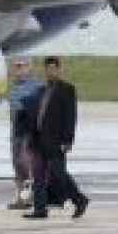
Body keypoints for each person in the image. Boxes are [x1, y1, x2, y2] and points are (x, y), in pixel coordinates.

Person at [25, 56, 88, 220]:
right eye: (48, 69)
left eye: (54, 69)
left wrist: (68, 141)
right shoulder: (41, 90)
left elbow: (70, 117)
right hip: (38, 140)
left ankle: (79, 199)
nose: (50, 72)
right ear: (44, 70)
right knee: (38, 176)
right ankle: (40, 209)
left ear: (59, 70)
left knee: (58, 174)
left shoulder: (67, 90)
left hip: (56, 141)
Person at [6, 58, 42, 209]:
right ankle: (21, 198)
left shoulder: (37, 87)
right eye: (16, 67)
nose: (19, 70)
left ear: (29, 68)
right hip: (16, 130)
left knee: (27, 163)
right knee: (17, 165)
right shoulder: (13, 88)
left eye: (22, 66)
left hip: (30, 131)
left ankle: (33, 197)